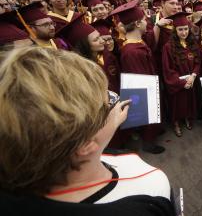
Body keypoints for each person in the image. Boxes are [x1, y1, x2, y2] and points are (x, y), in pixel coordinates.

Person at [0, 47, 172, 215]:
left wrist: (109, 121)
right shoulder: (151, 191)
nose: (116, 100)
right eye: (109, 102)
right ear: (86, 144)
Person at [111, 0, 165, 154]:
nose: (146, 22)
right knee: (149, 110)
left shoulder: (137, 41)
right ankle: (148, 142)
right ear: (136, 24)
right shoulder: (130, 51)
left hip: (150, 82)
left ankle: (153, 130)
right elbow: (140, 81)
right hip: (144, 88)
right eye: (144, 20)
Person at [57, 14, 120, 94]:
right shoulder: (78, 71)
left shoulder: (106, 56)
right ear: (84, 46)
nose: (102, 41)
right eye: (96, 40)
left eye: (99, 36)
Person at [162, 12, 200, 137]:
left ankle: (187, 118)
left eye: (185, 29)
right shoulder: (168, 47)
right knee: (177, 104)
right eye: (180, 29)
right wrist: (182, 82)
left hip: (191, 80)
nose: (184, 32)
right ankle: (176, 122)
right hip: (178, 83)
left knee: (188, 101)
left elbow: (197, 62)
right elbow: (168, 69)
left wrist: (193, 75)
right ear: (175, 30)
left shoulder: (192, 43)